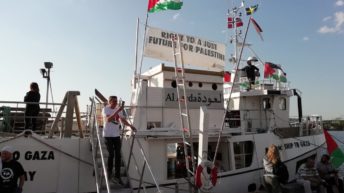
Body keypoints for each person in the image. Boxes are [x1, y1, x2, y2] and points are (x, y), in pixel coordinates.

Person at [102, 96, 136, 184]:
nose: (116, 103)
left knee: (118, 155)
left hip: (116, 135)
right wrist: (118, 110)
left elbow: (122, 120)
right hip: (108, 135)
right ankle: (109, 172)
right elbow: (108, 119)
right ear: (109, 102)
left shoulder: (118, 109)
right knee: (111, 154)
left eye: (116, 101)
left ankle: (117, 176)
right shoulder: (105, 109)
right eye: (114, 101)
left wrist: (130, 126)